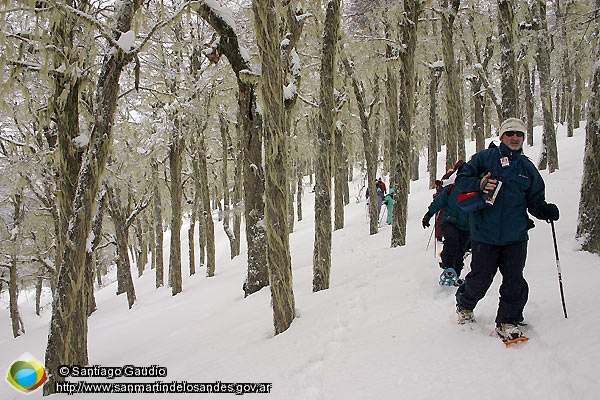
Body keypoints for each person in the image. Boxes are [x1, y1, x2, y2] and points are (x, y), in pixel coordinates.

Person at [453, 117, 560, 342]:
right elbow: (461, 180)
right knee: (481, 278)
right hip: (484, 234)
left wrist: (546, 211)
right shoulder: (484, 158)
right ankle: (464, 304)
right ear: (501, 136)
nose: (515, 138)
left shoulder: (527, 167)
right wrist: (480, 184)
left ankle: (507, 321)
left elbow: (535, 200)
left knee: (514, 280)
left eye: (519, 134)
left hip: (516, 235)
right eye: (510, 133)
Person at [422, 162, 471, 285]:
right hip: (449, 222)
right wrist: (428, 215)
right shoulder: (451, 189)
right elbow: (438, 202)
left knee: (460, 251)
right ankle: (448, 268)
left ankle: (455, 275)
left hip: (466, 227)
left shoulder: (475, 191)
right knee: (452, 240)